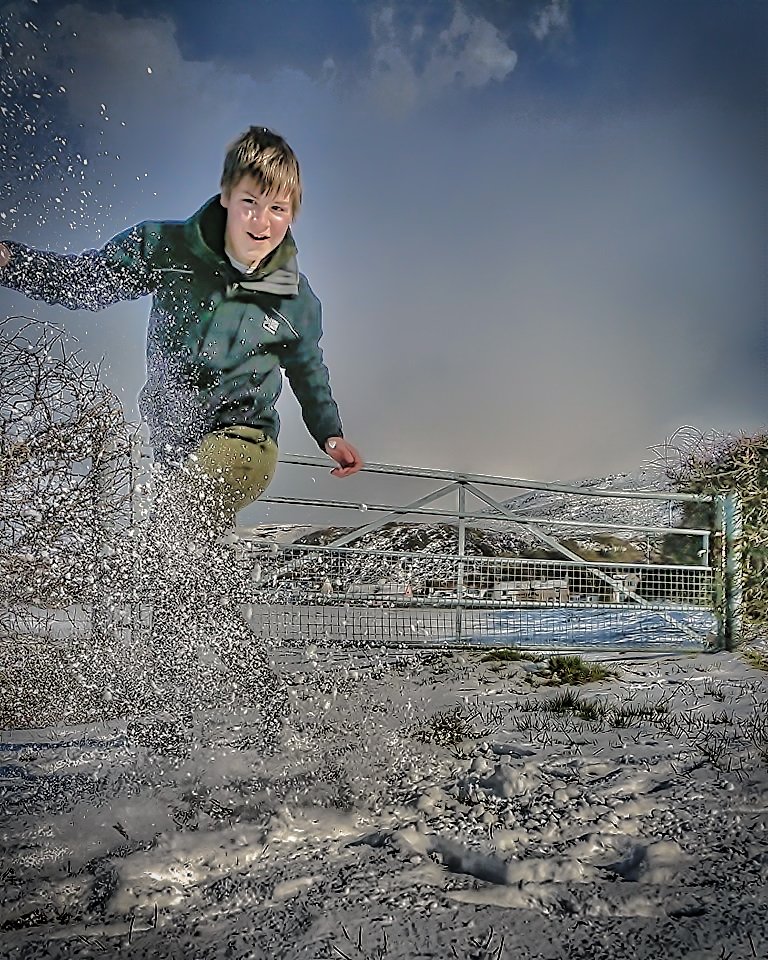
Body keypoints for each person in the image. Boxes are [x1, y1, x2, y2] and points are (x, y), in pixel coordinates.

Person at [0, 125, 363, 524]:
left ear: (292, 213)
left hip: (245, 440)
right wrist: (11, 262)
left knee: (181, 509)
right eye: (249, 202)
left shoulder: (294, 299)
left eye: (277, 208)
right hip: (173, 437)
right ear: (227, 196)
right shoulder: (166, 248)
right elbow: (89, 281)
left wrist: (329, 432)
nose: (261, 222)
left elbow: (308, 371)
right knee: (184, 537)